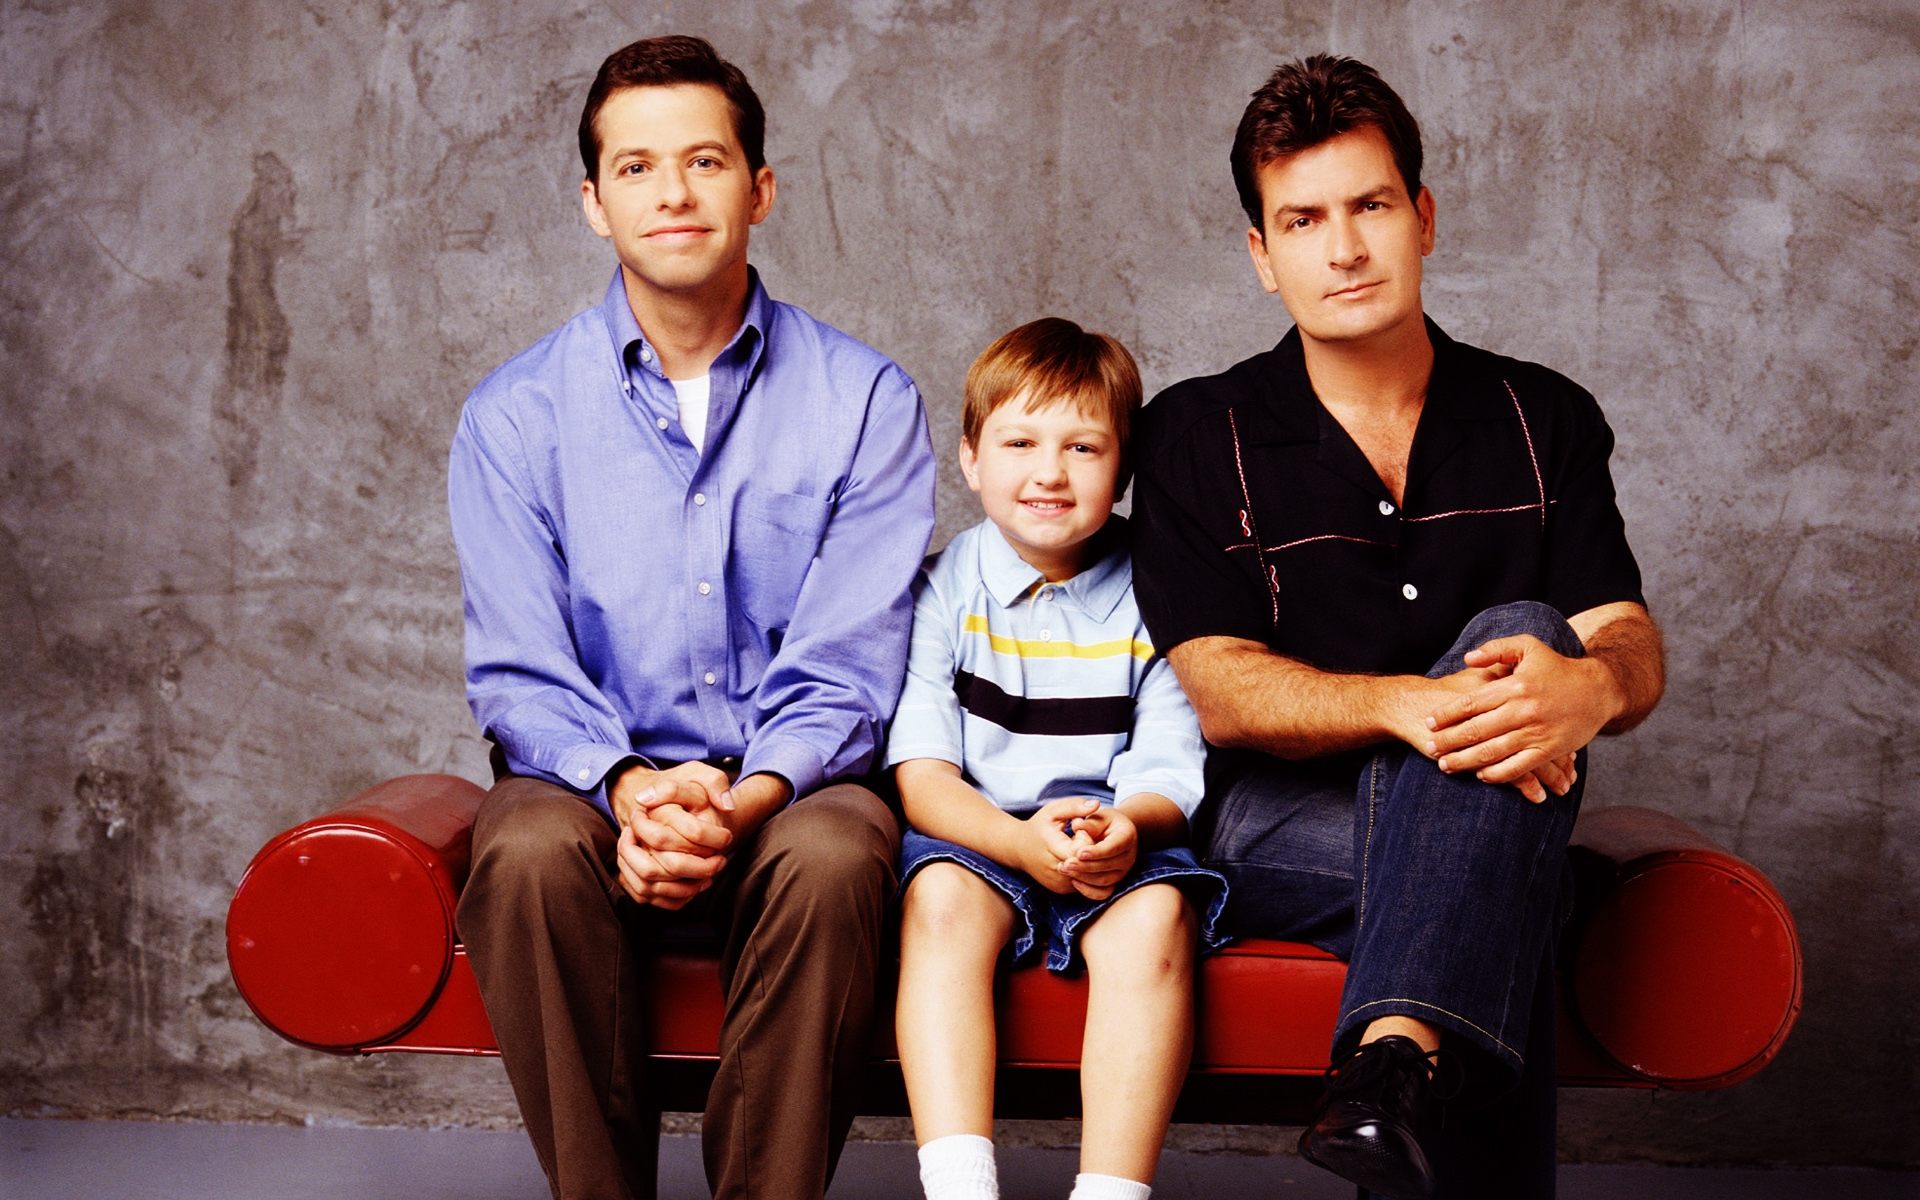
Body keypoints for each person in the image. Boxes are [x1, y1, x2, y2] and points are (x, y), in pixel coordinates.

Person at [1129, 56, 1666, 1200]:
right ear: (1262, 255)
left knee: (1529, 633)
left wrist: (1597, 686)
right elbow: (1222, 691)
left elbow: (1623, 633)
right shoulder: (1194, 434)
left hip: (1484, 805)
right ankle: (1435, 996)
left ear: (1422, 217)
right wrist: (1408, 708)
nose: (1344, 249)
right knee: (1514, 869)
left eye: (1369, 206)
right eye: (1303, 221)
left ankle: (1386, 1076)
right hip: (1276, 823)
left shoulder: (1544, 417)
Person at [445, 35, 936, 1200]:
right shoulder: (512, 416)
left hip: (794, 789)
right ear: (593, 202)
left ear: (759, 189)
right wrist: (627, 789)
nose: (672, 192)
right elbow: (520, 668)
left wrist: (742, 800)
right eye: (636, 167)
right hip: (584, 784)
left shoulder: (865, 399)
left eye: (705, 161)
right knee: (521, 853)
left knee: (836, 856)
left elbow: (849, 660)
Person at [886, 319, 1229, 1200]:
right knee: (938, 901)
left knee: (1157, 921)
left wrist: (1125, 827)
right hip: (977, 832)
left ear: (1124, 468)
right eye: (1019, 443)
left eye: (1083, 447)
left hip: (1117, 834)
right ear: (970, 459)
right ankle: (960, 1186)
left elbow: (1168, 769)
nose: (1049, 473)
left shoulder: (1161, 590)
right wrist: (1013, 841)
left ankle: (1110, 1192)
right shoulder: (938, 589)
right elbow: (923, 774)